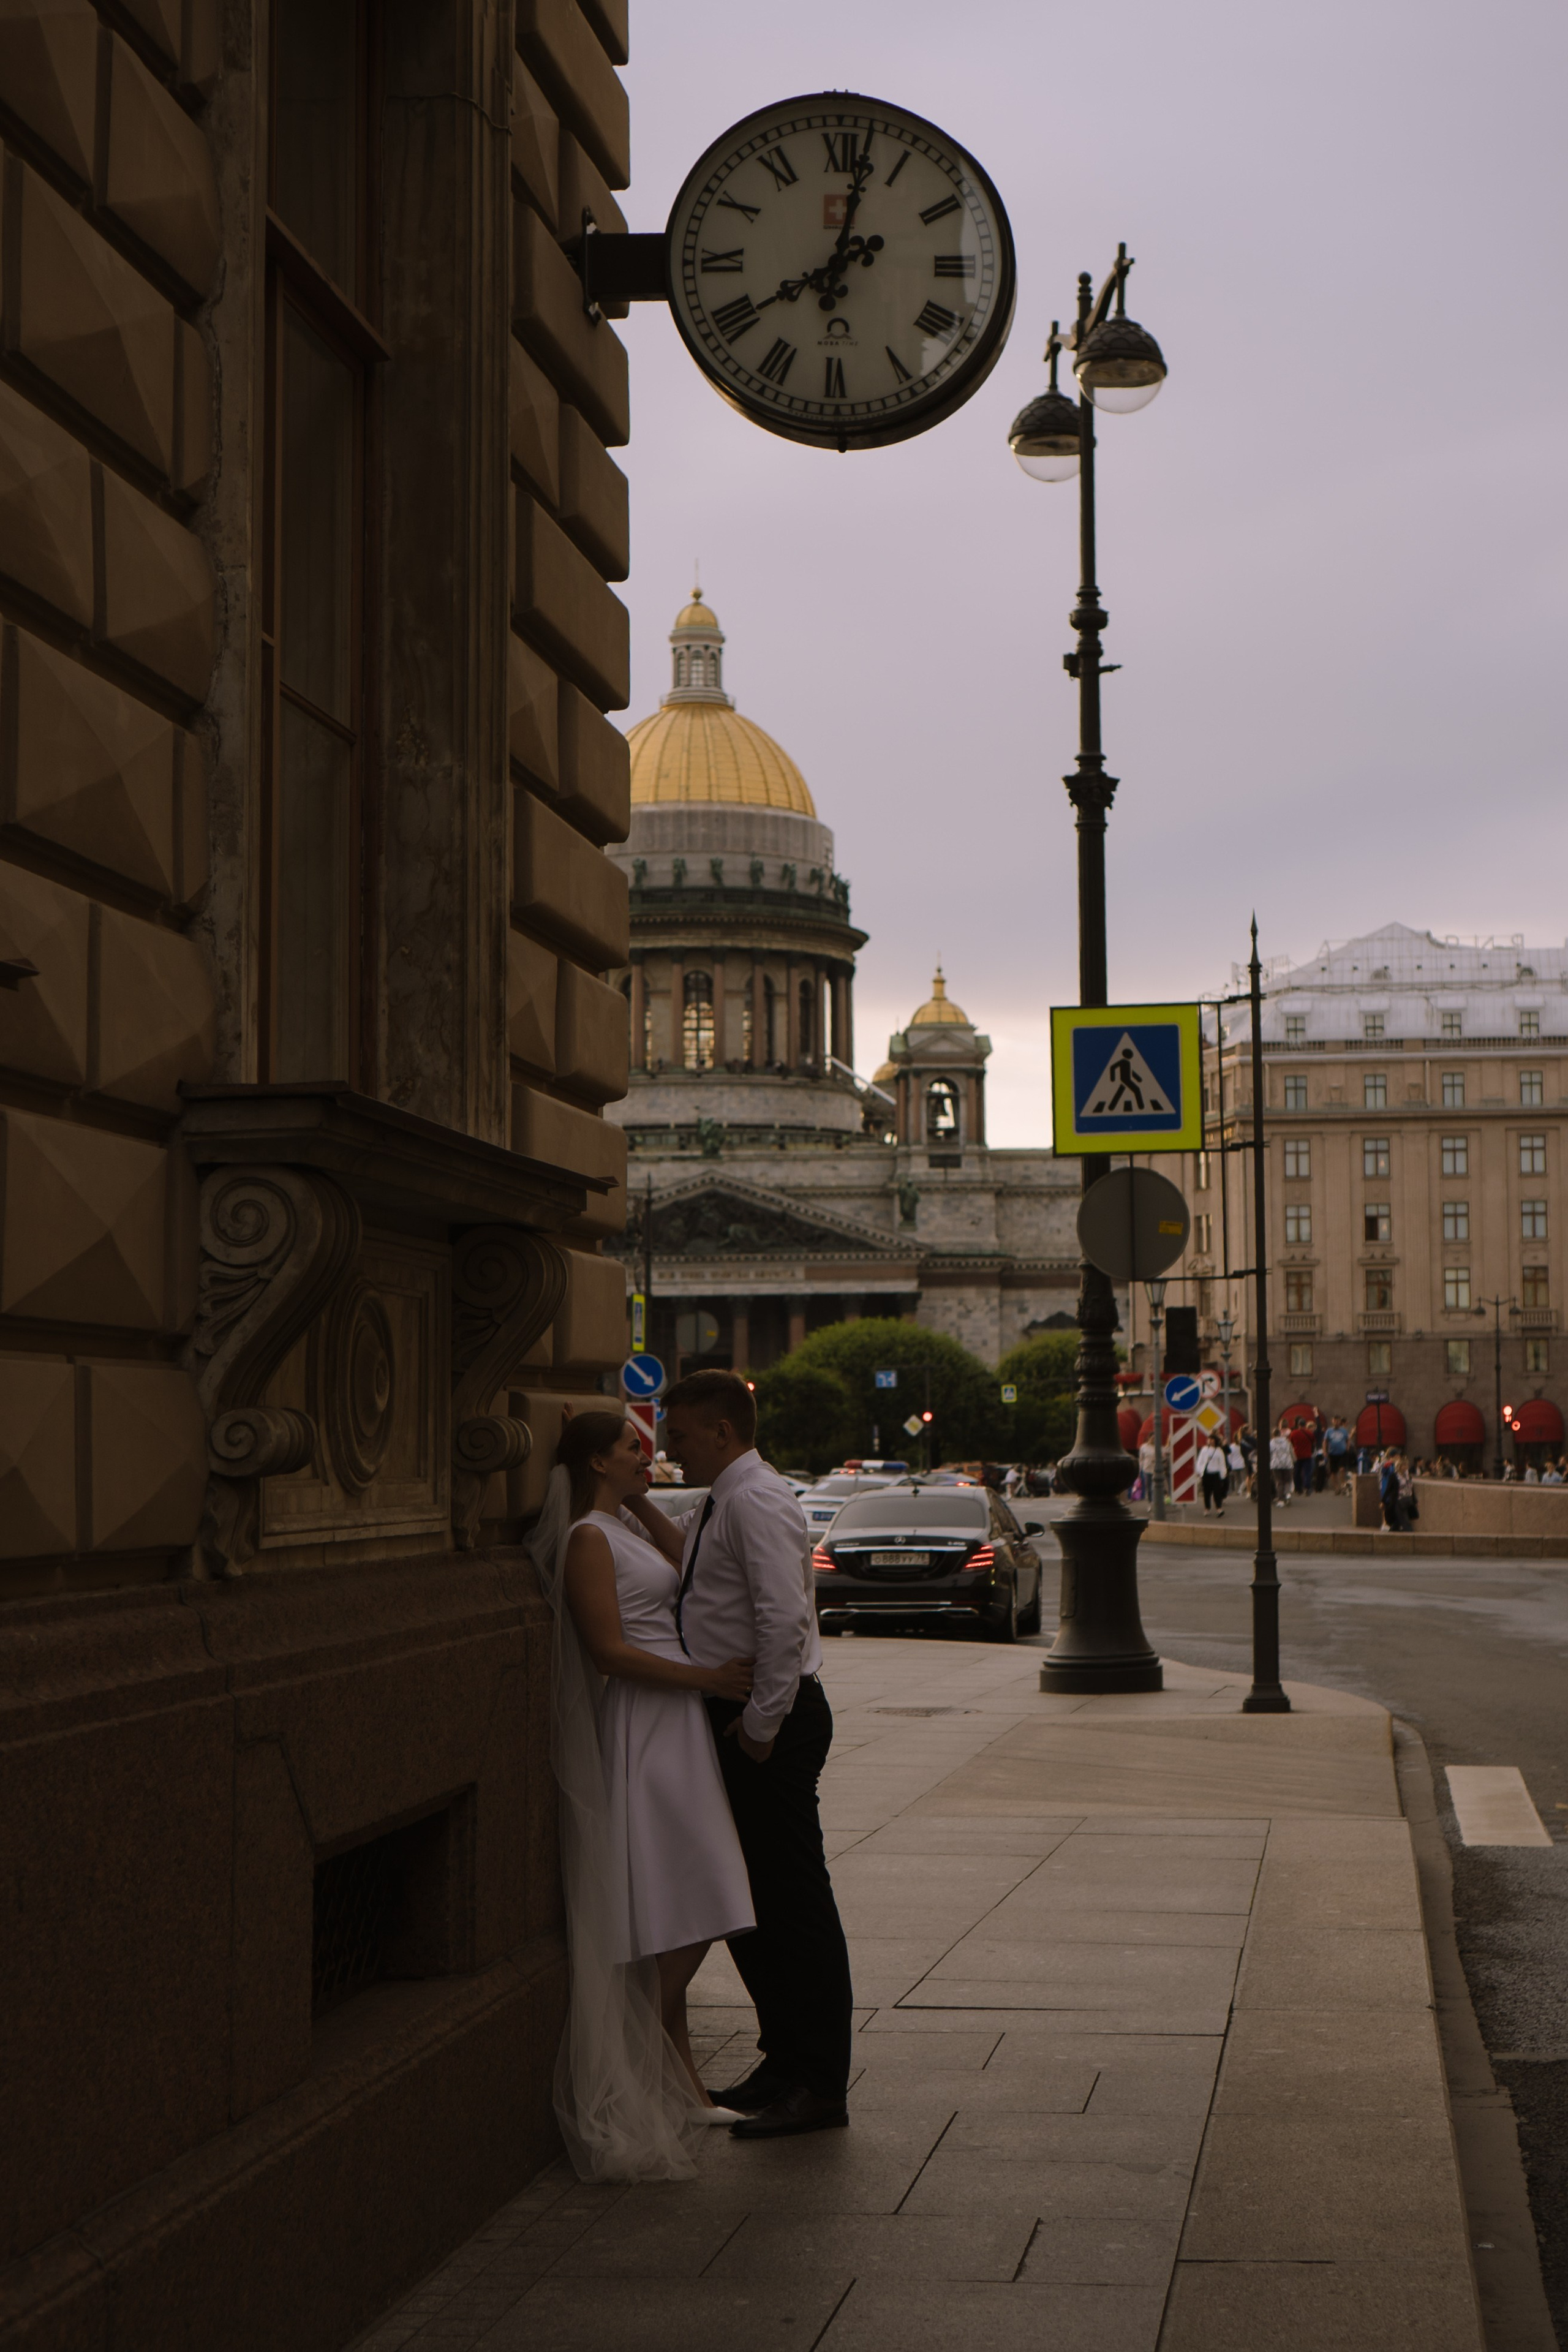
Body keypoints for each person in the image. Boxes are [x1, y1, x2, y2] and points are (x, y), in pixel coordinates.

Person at [530, 1411, 758, 2182]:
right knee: (705, 1888)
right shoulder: (586, 1540)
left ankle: (681, 2083)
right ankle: (639, 2046)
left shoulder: (621, 1526)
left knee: (681, 1903)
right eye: (632, 1449)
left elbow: (686, 1564)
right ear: (595, 1460)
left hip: (677, 1723)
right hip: (648, 1723)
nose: (649, 1455)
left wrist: (638, 1498)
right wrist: (707, 1680)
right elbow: (608, 1652)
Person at [645, 1368, 855, 2141]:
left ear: (722, 1432)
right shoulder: (723, 1498)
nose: (671, 1448)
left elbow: (783, 1620)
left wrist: (762, 1727)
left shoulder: (756, 1498)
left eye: (680, 1434)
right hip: (740, 1714)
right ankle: (784, 2061)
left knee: (793, 1905)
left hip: (769, 1719)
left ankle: (820, 2083)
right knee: (753, 1908)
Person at [1197, 1435, 1228, 1515]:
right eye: (1209, 1439)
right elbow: (1200, 1461)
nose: (1210, 1441)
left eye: (1212, 1440)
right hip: (1207, 1474)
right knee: (1207, 1492)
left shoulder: (1219, 1451)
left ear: (1215, 1441)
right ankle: (1207, 1509)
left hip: (1216, 1474)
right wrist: (1200, 1472)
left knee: (1217, 1492)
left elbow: (1222, 1463)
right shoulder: (1204, 1450)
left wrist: (1223, 1474)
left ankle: (1219, 1509)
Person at [1270, 1424, 1295, 1505]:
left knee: (1279, 1482)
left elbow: (1269, 1454)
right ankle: (1288, 1494)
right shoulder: (1287, 1441)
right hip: (1287, 1464)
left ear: (1273, 1435)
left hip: (1276, 1465)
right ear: (1280, 1434)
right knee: (1288, 1481)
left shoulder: (1271, 1443)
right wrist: (1294, 1460)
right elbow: (1291, 1452)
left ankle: (1281, 1499)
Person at [1324, 1416, 1350, 1493]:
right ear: (1333, 1421)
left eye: (1338, 1421)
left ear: (1340, 1422)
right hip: (1332, 1453)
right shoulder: (1329, 1431)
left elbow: (1348, 1440)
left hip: (1342, 1453)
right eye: (1335, 1421)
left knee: (1342, 1469)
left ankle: (1343, 1485)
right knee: (1333, 1472)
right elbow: (1325, 1441)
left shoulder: (1344, 1431)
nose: (1336, 1423)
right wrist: (1325, 1451)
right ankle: (1336, 1488)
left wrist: (1347, 1448)